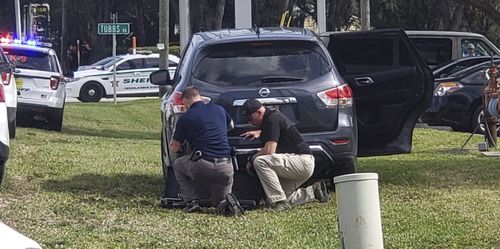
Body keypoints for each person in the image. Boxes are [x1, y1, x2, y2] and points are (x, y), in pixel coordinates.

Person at [240, 99, 329, 211]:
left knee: (260, 161)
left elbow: (269, 151)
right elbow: (276, 131)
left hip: (301, 161)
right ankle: (314, 192)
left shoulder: (272, 120)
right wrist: (260, 132)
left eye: (250, 117)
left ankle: (279, 202)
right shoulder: (271, 119)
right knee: (272, 198)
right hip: (301, 163)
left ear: (259, 112)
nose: (249, 121)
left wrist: (251, 158)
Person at [170, 86, 244, 215]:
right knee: (219, 203)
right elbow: (230, 126)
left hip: (202, 164)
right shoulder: (219, 109)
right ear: (200, 97)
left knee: (178, 165)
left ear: (186, 101)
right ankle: (226, 204)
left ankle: (192, 202)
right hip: (225, 165)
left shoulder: (186, 118)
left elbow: (175, 146)